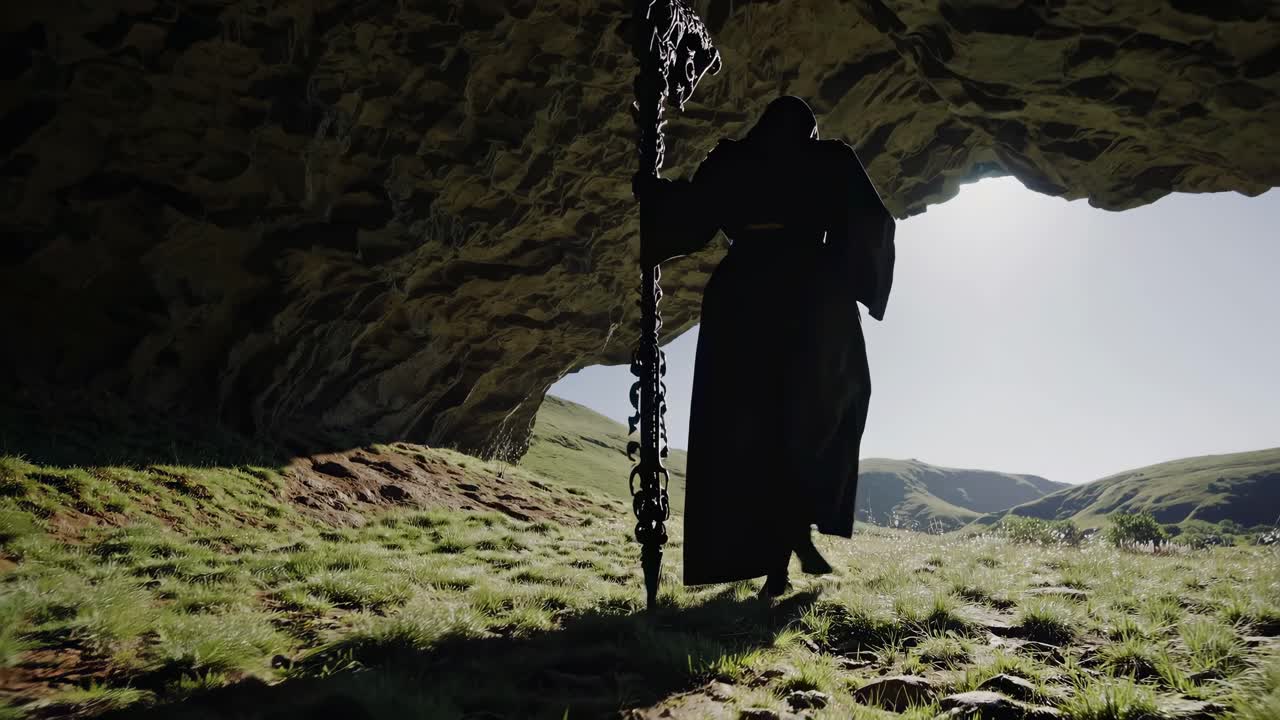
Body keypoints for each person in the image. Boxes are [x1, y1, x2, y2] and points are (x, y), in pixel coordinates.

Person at [636, 96, 896, 599]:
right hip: (813, 296)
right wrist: (855, 279)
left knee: (745, 424)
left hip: (744, 293)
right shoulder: (828, 159)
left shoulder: (731, 160)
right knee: (820, 410)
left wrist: (653, 195)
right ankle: (791, 539)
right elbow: (871, 223)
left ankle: (778, 549)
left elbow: (690, 216)